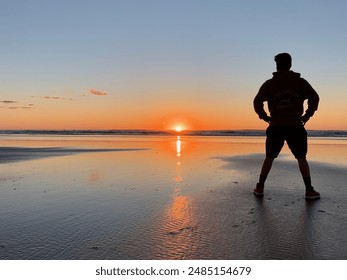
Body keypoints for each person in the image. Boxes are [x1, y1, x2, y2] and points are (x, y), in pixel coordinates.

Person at [253, 53, 320, 200]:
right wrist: (307, 115)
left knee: (269, 157)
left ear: (277, 65)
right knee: (301, 158)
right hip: (295, 126)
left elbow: (257, 102)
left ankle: (260, 187)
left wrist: (265, 117)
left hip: (276, 126)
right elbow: (314, 97)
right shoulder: (300, 82)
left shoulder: (270, 84)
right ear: (290, 64)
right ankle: (309, 190)